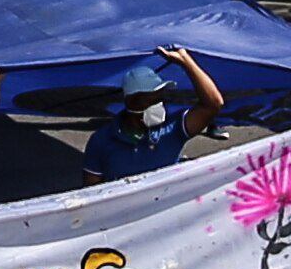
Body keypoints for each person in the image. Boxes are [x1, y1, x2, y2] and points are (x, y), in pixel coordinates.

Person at [78, 53, 224, 183]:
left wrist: (186, 62)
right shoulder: (102, 140)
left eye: (160, 99)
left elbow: (213, 104)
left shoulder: (173, 129)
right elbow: (92, 194)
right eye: (153, 101)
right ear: (132, 102)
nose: (160, 106)